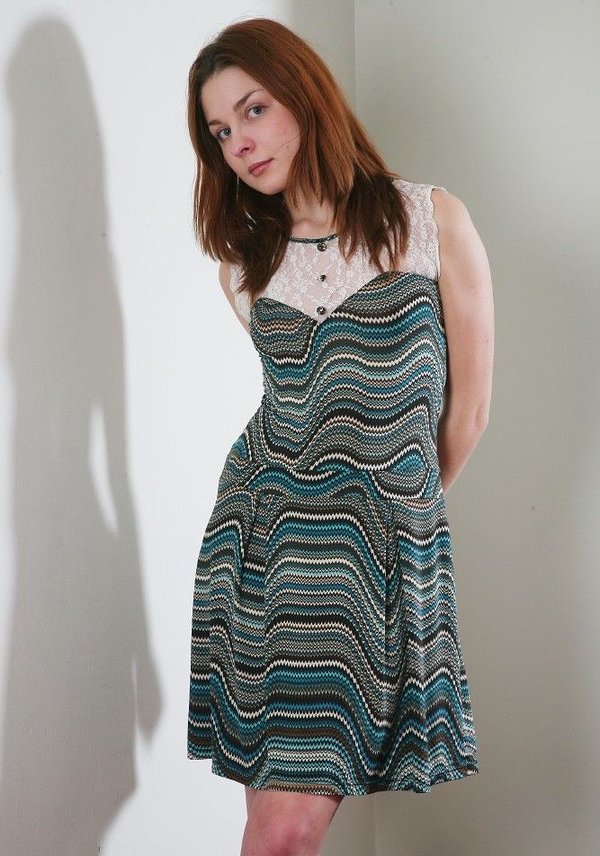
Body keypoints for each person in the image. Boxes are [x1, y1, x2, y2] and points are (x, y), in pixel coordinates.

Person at [186, 17, 494, 856]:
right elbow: (291, 411)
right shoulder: (245, 265)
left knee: (281, 831)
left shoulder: (430, 221)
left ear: (304, 95)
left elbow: (467, 413)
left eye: (253, 110)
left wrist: (393, 527)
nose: (239, 144)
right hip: (263, 553)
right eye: (219, 131)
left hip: (375, 559)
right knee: (277, 830)